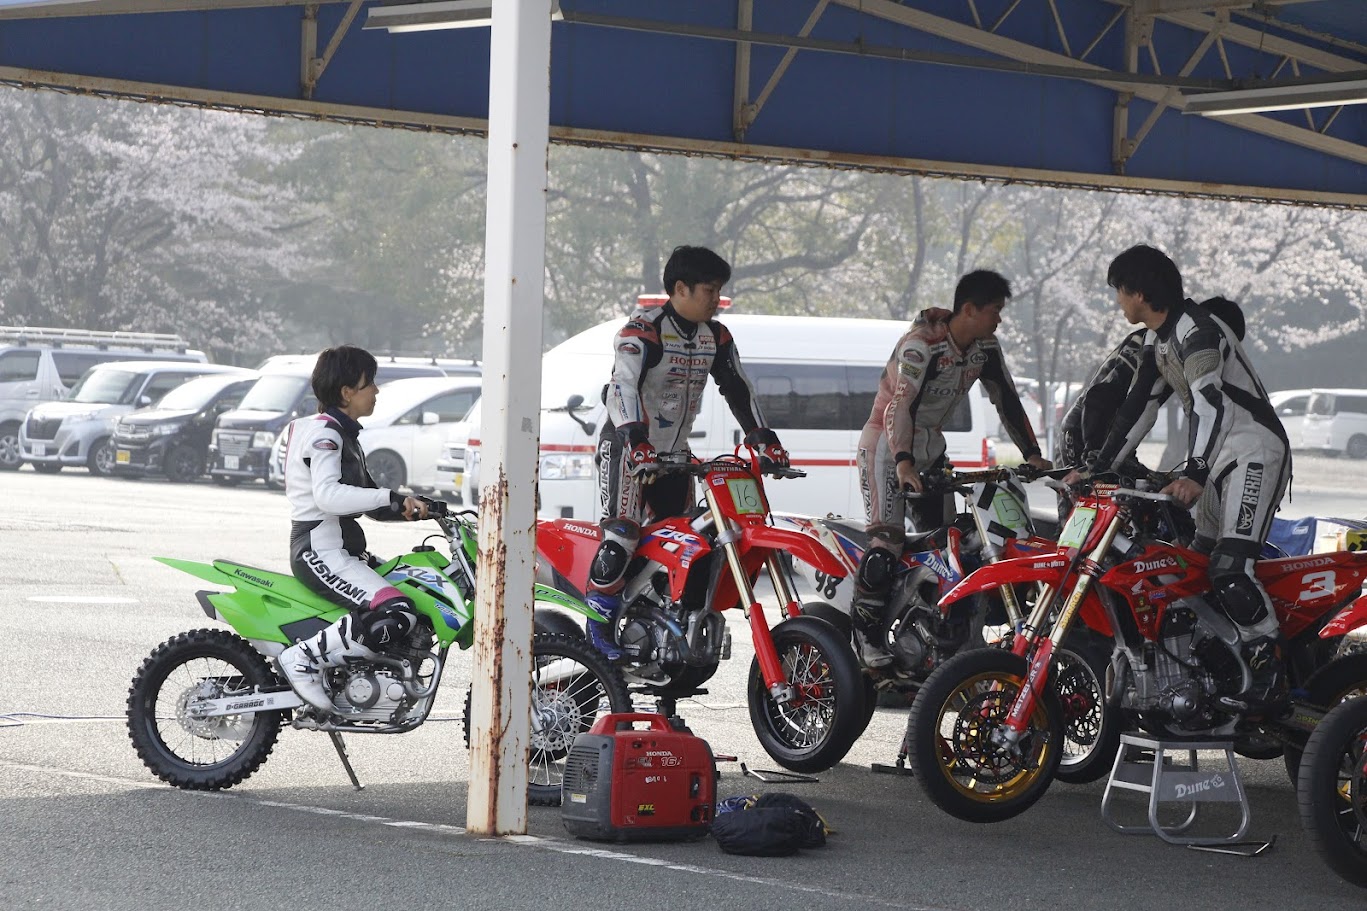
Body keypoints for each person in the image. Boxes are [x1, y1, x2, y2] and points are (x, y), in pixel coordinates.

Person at [1074, 244, 1291, 716]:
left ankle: (1270, 666)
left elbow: (1211, 404)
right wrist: (1097, 470)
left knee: (1230, 567)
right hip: (1218, 457)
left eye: (1119, 291)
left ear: (1139, 292)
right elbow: (1138, 409)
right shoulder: (1158, 339)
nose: (1117, 301)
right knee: (1196, 566)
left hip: (1253, 451)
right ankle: (1220, 667)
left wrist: (1194, 471)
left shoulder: (1198, 330)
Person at [586, 245, 788, 658]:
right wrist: (637, 441)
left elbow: (738, 388)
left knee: (685, 540)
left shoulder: (716, 336)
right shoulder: (644, 330)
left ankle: (659, 625)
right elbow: (621, 388)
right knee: (622, 535)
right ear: (681, 289)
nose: (717, 300)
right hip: (627, 448)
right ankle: (597, 626)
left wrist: (762, 437)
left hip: (675, 454)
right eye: (710, 291)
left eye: (719, 291)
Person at [853, 270, 1051, 667]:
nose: (999, 320)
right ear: (970, 309)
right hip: (887, 450)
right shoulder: (920, 345)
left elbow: (1006, 399)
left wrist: (1032, 453)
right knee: (886, 543)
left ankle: (933, 635)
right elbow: (900, 406)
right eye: (995, 311)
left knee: (949, 547)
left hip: (931, 451)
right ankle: (867, 639)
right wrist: (904, 462)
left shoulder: (985, 347)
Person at [276, 346, 433, 713]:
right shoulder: (326, 435)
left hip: (342, 549)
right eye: (369, 383)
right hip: (321, 551)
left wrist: (416, 507)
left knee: (419, 590)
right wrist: (389, 497)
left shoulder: (341, 433)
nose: (376, 391)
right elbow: (328, 496)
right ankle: (303, 659)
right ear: (347, 392)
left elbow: (369, 502)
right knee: (397, 611)